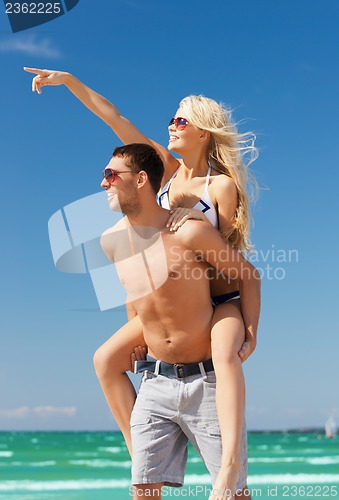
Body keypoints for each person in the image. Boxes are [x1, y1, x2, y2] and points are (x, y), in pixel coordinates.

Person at [24, 67, 259, 498]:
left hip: (215, 296)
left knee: (226, 354)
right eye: (171, 118)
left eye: (181, 120)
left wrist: (188, 229)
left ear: (204, 132)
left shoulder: (219, 185)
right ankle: (144, 457)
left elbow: (224, 263)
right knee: (105, 360)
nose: (171, 125)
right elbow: (113, 116)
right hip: (164, 296)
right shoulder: (163, 171)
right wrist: (71, 81)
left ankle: (229, 467)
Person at [99, 143, 260, 500]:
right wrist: (136, 343)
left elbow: (247, 275)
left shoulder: (188, 232)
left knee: (234, 494)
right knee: (143, 489)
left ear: (141, 180)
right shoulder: (110, 241)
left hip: (207, 383)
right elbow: (133, 292)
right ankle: (138, 451)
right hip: (155, 382)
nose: (103, 183)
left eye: (111, 175)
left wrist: (250, 334)